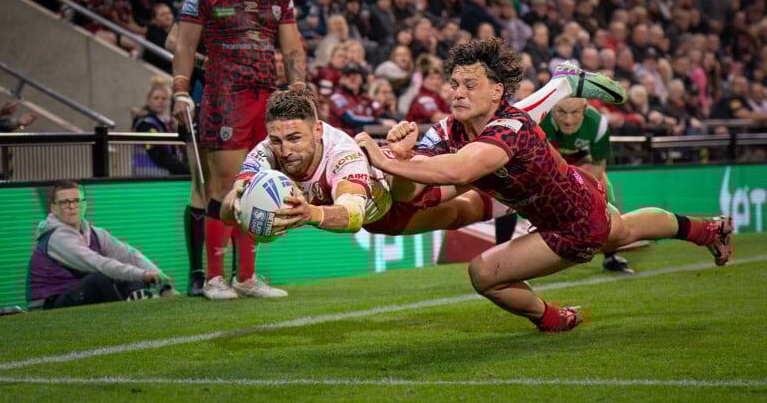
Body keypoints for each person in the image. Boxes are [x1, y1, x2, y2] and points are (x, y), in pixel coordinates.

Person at [354, 38, 733, 333]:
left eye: (470, 84)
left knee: (484, 273)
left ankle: (553, 319)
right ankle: (710, 230)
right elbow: (411, 192)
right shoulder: (445, 129)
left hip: (573, 223)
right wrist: (402, 163)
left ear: (496, 91)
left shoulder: (511, 127)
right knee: (626, 230)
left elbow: (459, 168)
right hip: (550, 201)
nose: (458, 92)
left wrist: (385, 160)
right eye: (454, 84)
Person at [222, 61, 628, 240]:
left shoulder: (343, 155)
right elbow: (230, 203)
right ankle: (563, 202)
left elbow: (352, 213)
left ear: (316, 131)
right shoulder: (267, 150)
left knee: (484, 153)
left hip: (403, 184)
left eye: (294, 139)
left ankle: (561, 86)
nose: (284, 150)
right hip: (387, 216)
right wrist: (240, 206)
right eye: (278, 140)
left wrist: (308, 213)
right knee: (464, 211)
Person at [172, 0, 305, 300]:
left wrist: (299, 89)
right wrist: (180, 89)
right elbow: (183, 45)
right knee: (224, 186)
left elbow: (292, 47)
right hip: (224, 99)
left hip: (265, 101)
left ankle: (245, 277)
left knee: (256, 184)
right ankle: (214, 278)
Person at [27, 181, 172, 310]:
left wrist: (162, 282)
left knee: (130, 273)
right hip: (49, 305)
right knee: (101, 278)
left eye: (76, 200)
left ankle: (140, 305)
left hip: (76, 295)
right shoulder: (57, 237)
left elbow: (129, 254)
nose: (72, 206)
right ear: (53, 208)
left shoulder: (96, 233)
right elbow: (98, 264)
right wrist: (143, 275)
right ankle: (125, 314)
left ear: (84, 205)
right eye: (65, 202)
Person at [540, 97, 637, 273]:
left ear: (584, 110)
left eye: (574, 113)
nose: (568, 120)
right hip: (545, 165)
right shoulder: (539, 118)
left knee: (605, 193)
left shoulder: (597, 124)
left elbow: (599, 163)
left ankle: (611, 256)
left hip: (580, 160)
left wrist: (588, 192)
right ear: (553, 108)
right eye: (561, 112)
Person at [131, 76, 189, 176]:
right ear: (148, 100)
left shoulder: (168, 122)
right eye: (156, 98)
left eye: (164, 98)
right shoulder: (146, 124)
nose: (160, 101)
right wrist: (186, 169)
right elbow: (158, 154)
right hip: (147, 177)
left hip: (164, 176)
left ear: (169, 101)